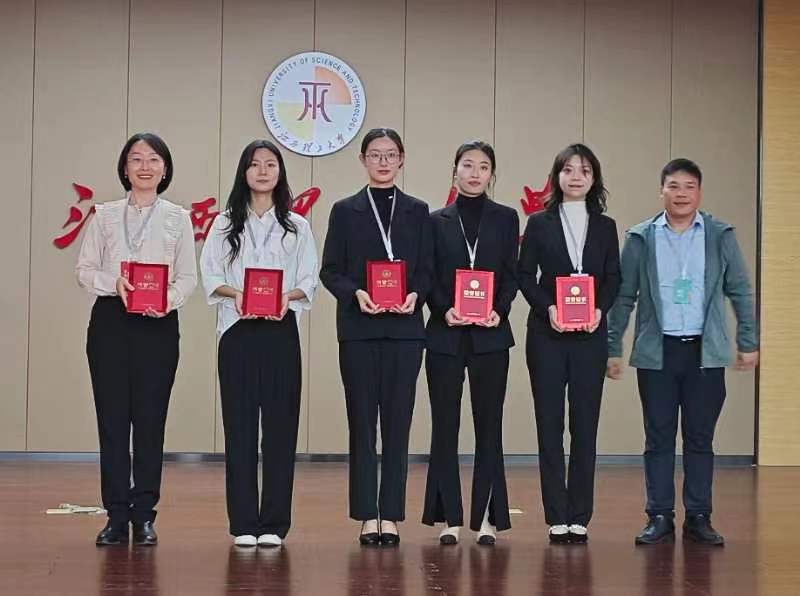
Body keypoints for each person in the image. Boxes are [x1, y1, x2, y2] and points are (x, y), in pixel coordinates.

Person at [606, 158, 759, 546]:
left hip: (704, 353)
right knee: (658, 437)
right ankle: (659, 515)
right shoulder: (641, 237)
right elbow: (624, 297)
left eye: (689, 187)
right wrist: (613, 345)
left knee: (700, 438)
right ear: (661, 191)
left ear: (700, 193)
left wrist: (748, 340)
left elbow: (740, 290)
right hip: (658, 353)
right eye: (673, 186)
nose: (681, 194)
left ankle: (699, 516)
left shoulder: (720, 234)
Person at [77, 132, 197, 546]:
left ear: (165, 169)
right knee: (112, 422)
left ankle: (144, 514)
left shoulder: (178, 217)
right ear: (124, 168)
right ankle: (115, 515)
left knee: (150, 421)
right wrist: (114, 284)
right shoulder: (104, 215)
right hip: (110, 322)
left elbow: (188, 277)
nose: (145, 166)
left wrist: (167, 301)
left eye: (153, 159)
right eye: (136, 159)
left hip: (157, 325)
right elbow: (84, 270)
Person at [199, 140, 318, 547]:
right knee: (240, 429)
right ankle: (244, 523)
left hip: (281, 332)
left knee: (281, 430)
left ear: (280, 172)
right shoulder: (223, 223)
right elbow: (211, 275)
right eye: (254, 164)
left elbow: (308, 279)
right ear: (243, 172)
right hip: (237, 332)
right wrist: (238, 295)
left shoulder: (297, 225)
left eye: (270, 164)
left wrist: (286, 297)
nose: (263, 171)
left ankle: (274, 524)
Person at [320, 128, 432, 546]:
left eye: (390, 155)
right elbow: (330, 270)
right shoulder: (344, 211)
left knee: (399, 424)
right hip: (359, 331)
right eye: (375, 155)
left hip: (405, 332)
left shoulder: (418, 211)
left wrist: (416, 295)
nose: (383, 162)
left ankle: (393, 515)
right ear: (363, 160)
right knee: (363, 424)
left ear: (402, 159)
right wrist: (357, 294)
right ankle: (368, 514)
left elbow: (428, 269)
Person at [518, 143, 620, 544]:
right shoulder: (539, 223)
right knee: (549, 424)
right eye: (568, 170)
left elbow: (613, 277)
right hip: (548, 335)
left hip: (589, 337)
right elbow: (524, 276)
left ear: (594, 179)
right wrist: (549, 309)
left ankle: (580, 514)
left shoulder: (606, 226)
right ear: (556, 176)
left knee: (584, 424)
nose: (576, 177)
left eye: (585, 171)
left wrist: (599, 310)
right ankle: (556, 514)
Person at [422, 140, 519, 546]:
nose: (475, 173)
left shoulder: (506, 218)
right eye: (467, 165)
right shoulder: (435, 220)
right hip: (445, 335)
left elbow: (512, 274)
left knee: (489, 427)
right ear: (454, 171)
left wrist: (500, 309)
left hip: (491, 336)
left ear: (492, 174)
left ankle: (488, 519)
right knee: (444, 427)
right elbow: (426, 274)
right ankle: (449, 517)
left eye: (483, 166)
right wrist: (443, 309)